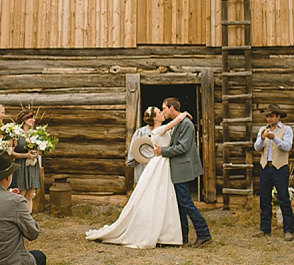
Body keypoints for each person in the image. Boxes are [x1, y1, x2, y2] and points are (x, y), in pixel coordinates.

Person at [86, 107, 191, 248]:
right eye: (159, 112)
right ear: (154, 118)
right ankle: (157, 231)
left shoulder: (162, 129)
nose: (162, 113)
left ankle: (166, 233)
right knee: (157, 195)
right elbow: (177, 120)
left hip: (164, 163)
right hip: (160, 163)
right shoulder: (158, 130)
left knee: (165, 197)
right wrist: (184, 113)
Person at [154, 97, 212, 248]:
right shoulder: (179, 122)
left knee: (186, 202)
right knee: (180, 204)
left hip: (182, 167)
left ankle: (204, 233)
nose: (163, 111)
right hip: (176, 168)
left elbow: (183, 147)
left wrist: (162, 151)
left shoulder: (186, 124)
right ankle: (183, 236)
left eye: (164, 108)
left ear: (172, 108)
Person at [0, 150, 45, 265]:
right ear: (7, 177)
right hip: (7, 261)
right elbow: (33, 233)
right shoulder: (16, 201)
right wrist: (18, 205)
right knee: (39, 257)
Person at [252, 104, 294, 241]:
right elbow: (257, 147)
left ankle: (288, 229)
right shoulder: (262, 129)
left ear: (278, 117)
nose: (269, 119)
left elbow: (287, 146)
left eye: (271, 116)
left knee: (283, 198)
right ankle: (264, 228)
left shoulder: (287, 130)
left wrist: (274, 138)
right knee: (264, 199)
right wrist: (263, 138)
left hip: (280, 168)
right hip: (265, 167)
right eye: (267, 116)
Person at [12, 109, 42, 213]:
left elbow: (40, 150)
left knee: (30, 194)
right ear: (24, 119)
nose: (33, 120)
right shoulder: (16, 134)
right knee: (21, 194)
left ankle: (28, 217)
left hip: (32, 165)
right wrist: (26, 155)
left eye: (33, 118)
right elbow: (11, 153)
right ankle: (19, 217)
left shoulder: (34, 134)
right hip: (21, 165)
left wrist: (37, 153)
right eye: (30, 118)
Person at [126, 119, 152, 184]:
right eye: (159, 113)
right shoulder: (141, 132)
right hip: (143, 162)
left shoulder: (165, 131)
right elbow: (135, 147)